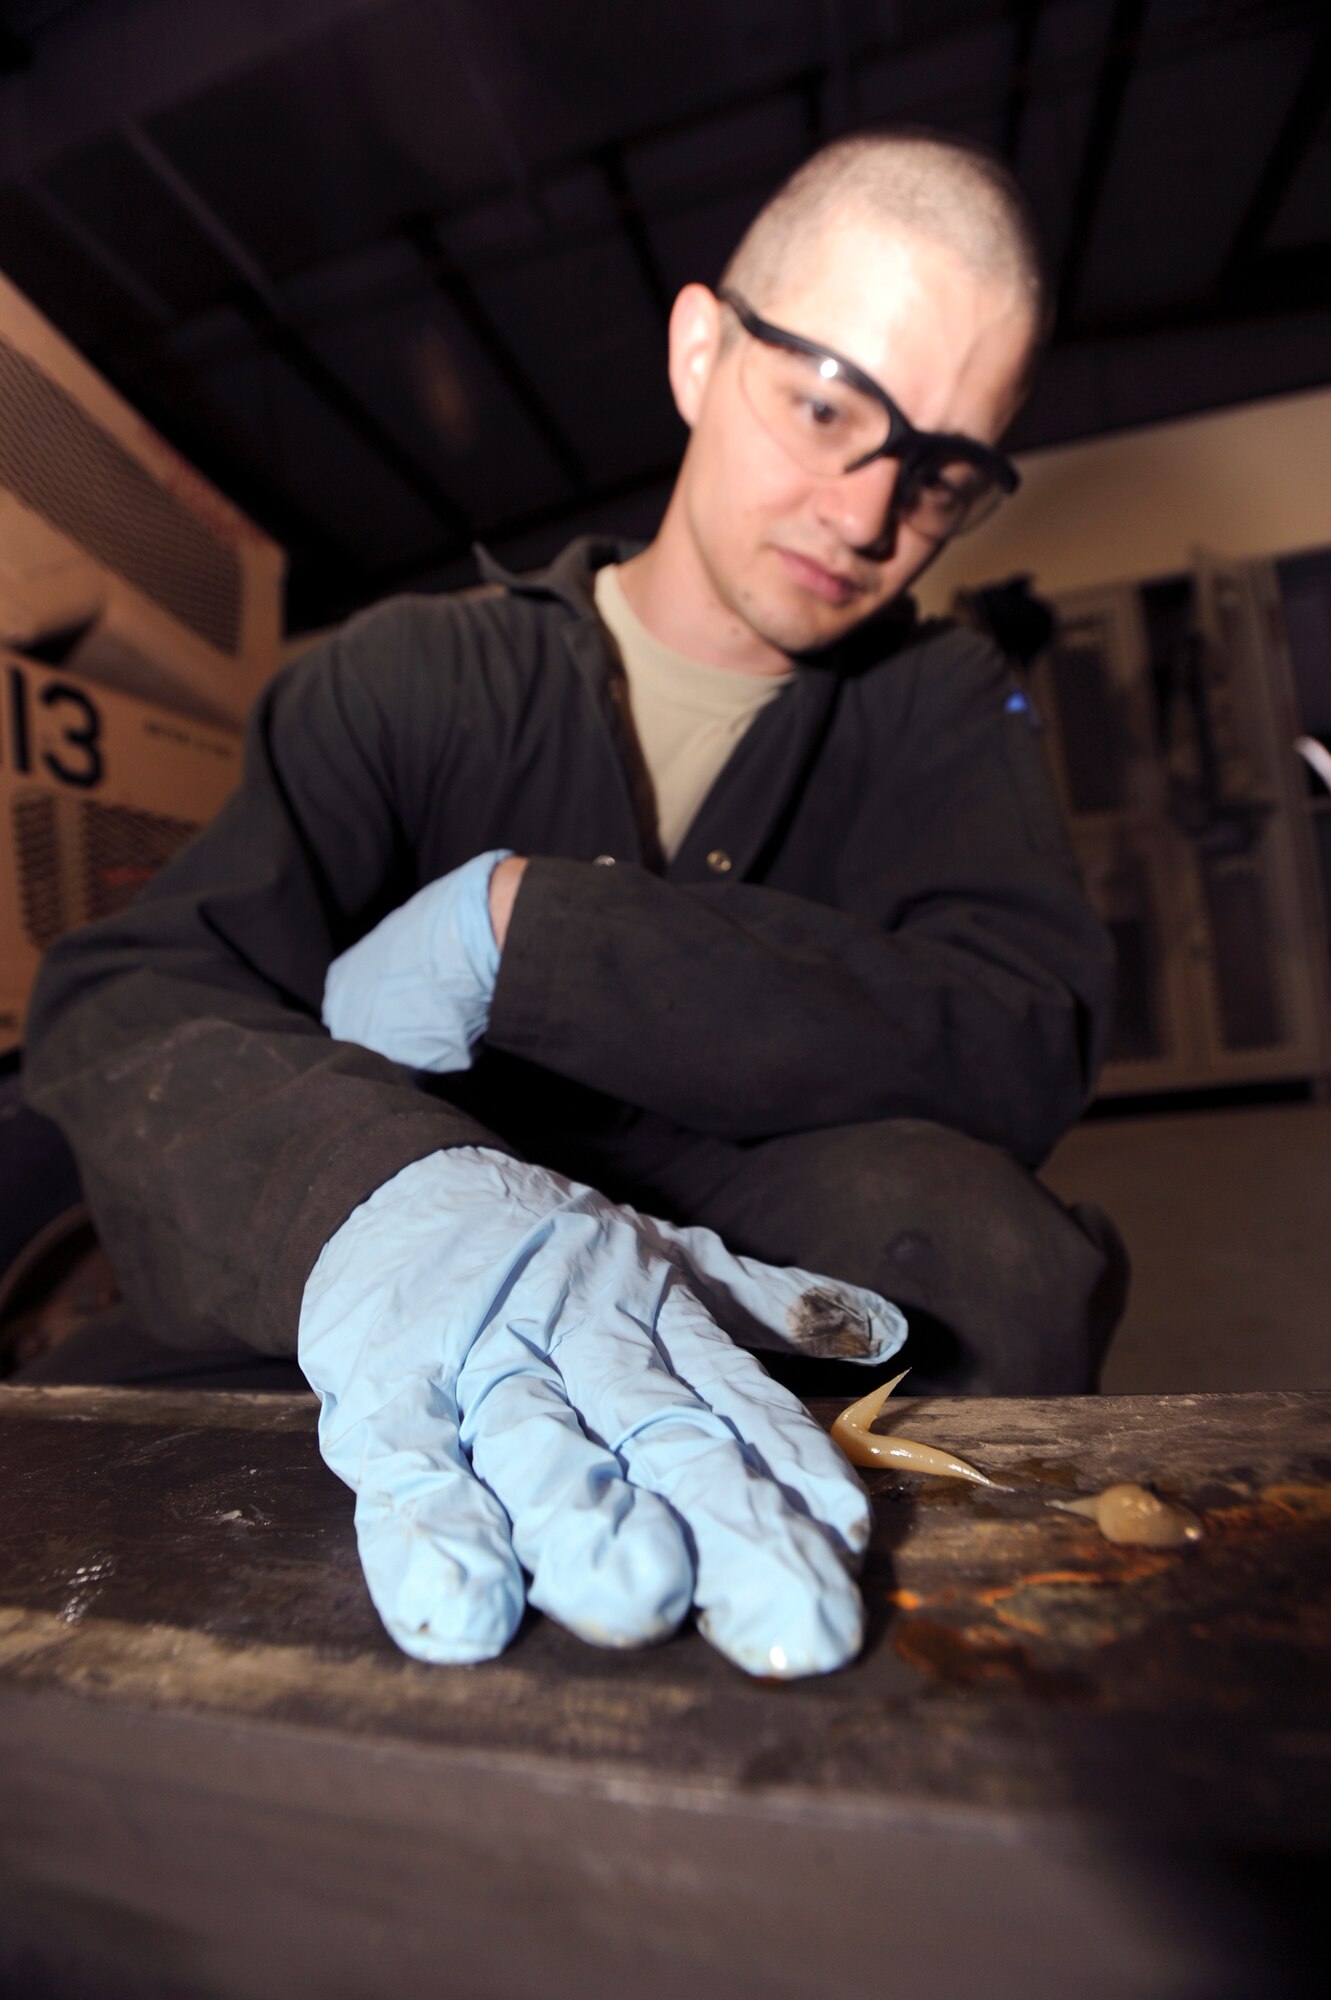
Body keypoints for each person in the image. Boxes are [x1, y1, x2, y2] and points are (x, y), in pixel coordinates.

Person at [17, 129, 1124, 1679]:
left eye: (942, 476)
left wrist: (539, 931)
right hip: (405, 1216)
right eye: (824, 409)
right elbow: (129, 1002)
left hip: (766, 1253)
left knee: (987, 1257)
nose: (870, 519)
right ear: (696, 349)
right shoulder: (406, 680)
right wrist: (380, 1191)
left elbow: (1019, 1037)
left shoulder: (936, 709)